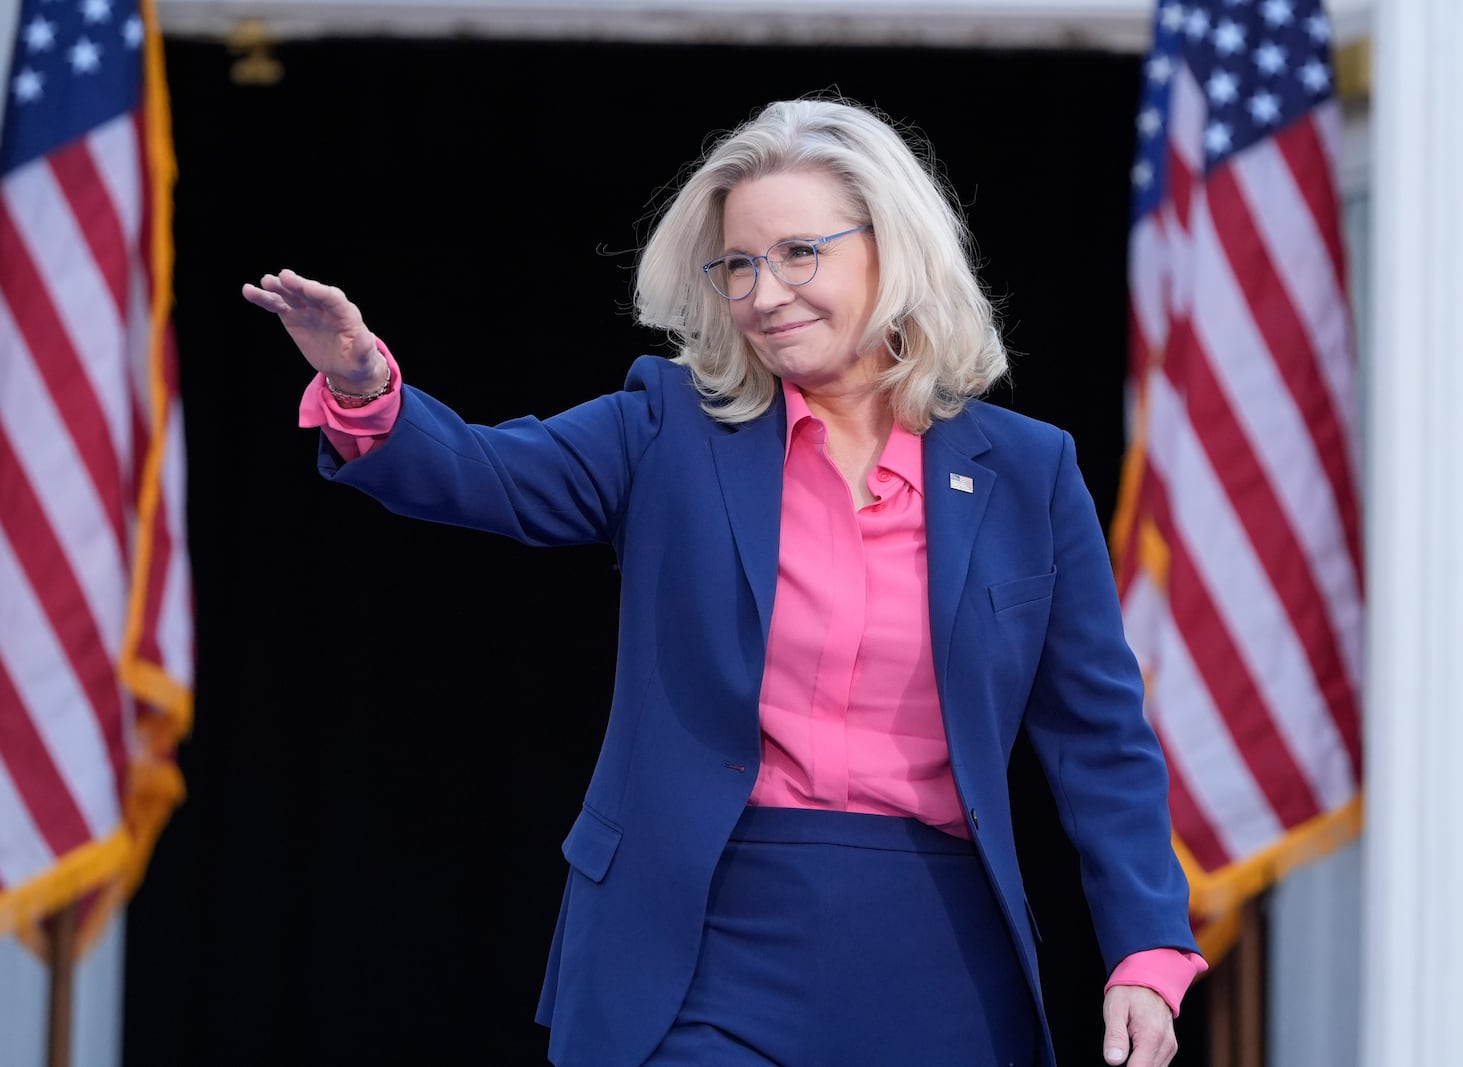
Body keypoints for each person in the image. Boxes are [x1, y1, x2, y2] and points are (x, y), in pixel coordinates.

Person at [243, 95, 1204, 1067]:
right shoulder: (666, 427)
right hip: (700, 936)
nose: (764, 292)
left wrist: (1146, 946)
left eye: (798, 253)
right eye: (739, 264)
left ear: (893, 249)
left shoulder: (1025, 472)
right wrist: (364, 385)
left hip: (938, 946)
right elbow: (482, 472)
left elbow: (1099, 736)